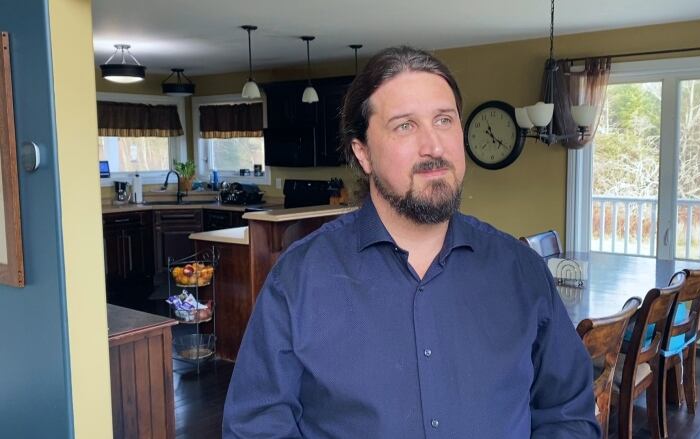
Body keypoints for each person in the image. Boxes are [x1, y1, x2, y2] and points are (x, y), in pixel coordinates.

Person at [223, 46, 599, 438]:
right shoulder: (299, 280)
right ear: (363, 153)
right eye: (405, 125)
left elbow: (567, 414)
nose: (433, 146)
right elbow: (256, 426)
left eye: (444, 120)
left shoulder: (521, 271)